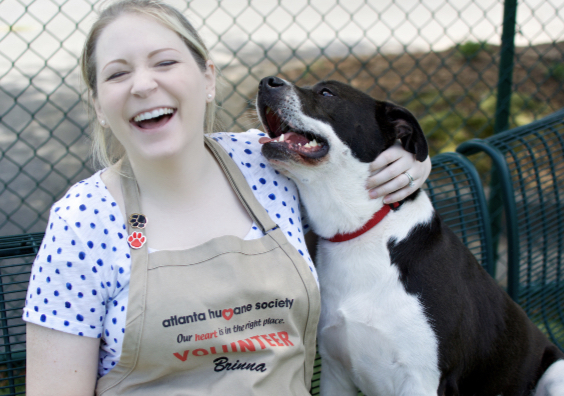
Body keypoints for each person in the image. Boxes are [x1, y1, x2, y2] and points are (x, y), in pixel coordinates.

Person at [23, 1, 431, 395]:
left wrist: (412, 163)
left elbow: (354, 190)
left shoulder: (270, 166)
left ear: (208, 79)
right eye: (116, 74)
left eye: (165, 62)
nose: (144, 85)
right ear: (97, 104)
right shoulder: (81, 221)